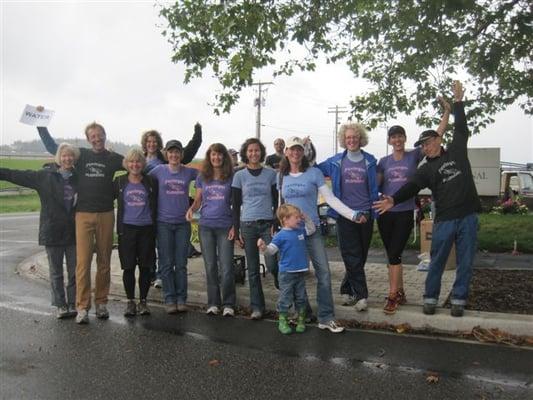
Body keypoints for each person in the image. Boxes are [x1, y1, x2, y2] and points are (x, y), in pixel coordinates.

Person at [373, 81, 480, 317]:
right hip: (444, 220)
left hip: (468, 217)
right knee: (436, 261)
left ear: (438, 140)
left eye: (430, 142)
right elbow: (411, 187)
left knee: (465, 262)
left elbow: (461, 129)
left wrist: (458, 104)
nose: (427, 146)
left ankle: (459, 300)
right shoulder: (425, 170)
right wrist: (392, 199)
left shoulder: (457, 150)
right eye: (423, 144)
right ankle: (430, 298)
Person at [37, 116, 124, 324]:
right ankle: (82, 306)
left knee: (104, 261)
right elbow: (55, 148)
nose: (97, 139)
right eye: (93, 136)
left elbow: (134, 163)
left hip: (105, 214)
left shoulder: (112, 157)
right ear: (87, 139)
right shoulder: (81, 155)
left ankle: (101, 303)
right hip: (83, 215)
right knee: (82, 263)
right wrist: (41, 125)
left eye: (100, 135)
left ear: (105, 135)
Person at [279, 136, 361, 333]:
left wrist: (352, 214)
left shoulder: (314, 173)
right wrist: (279, 226)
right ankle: (303, 312)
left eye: (299, 149)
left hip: (312, 230)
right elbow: (280, 205)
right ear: (286, 152)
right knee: (295, 275)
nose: (296, 153)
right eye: (292, 149)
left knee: (323, 273)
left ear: (303, 152)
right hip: (291, 235)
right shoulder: (281, 176)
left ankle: (326, 317)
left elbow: (330, 199)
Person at [377, 99, 450, 314]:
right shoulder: (383, 161)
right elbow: (376, 185)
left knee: (395, 253)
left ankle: (393, 295)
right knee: (392, 254)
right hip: (384, 212)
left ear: (405, 138)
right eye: (394, 136)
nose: (397, 139)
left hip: (405, 211)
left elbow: (437, 135)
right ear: (389, 140)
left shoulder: (414, 155)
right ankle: (400, 292)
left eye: (400, 136)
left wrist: (446, 112)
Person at [0, 144, 79, 319]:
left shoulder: (78, 179)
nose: (67, 159)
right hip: (52, 231)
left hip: (74, 233)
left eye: (70, 156)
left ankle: (73, 303)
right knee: (56, 272)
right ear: (59, 158)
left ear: (75, 158)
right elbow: (16, 175)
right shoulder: (44, 176)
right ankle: (60, 305)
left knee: (75, 272)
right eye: (64, 156)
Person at [318, 123, 379, 312]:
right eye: (348, 138)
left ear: (360, 139)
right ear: (344, 140)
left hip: (365, 214)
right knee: (351, 255)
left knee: (360, 256)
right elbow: (314, 169)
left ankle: (346, 288)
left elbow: (375, 185)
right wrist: (306, 149)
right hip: (345, 214)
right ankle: (361, 295)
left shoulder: (370, 161)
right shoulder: (335, 161)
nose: (351, 140)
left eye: (355, 137)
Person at [140, 126, 203, 286]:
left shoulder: (172, 165)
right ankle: (158, 275)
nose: (151, 144)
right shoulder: (148, 164)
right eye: (149, 141)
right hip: (154, 210)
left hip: (179, 217)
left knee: (178, 257)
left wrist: (197, 200)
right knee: (157, 247)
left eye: (155, 141)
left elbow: (203, 175)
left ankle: (168, 281)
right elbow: (139, 178)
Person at [148, 140, 198, 314]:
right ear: (166, 154)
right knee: (166, 263)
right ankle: (169, 298)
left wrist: (195, 206)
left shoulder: (188, 172)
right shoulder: (159, 171)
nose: (174, 155)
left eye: (177, 152)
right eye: (170, 152)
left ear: (181, 155)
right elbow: (142, 178)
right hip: (163, 223)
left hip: (183, 224)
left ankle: (181, 298)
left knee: (181, 263)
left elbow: (206, 177)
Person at [187, 143, 236, 317]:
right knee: (210, 266)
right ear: (209, 157)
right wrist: (192, 209)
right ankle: (213, 303)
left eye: (219, 154)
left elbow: (237, 204)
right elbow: (198, 200)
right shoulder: (203, 176)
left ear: (224, 157)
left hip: (225, 226)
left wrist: (234, 226)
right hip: (206, 226)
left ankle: (229, 303)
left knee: (227, 266)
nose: (216, 157)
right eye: (213, 154)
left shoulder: (231, 176)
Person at [231, 138, 278, 320]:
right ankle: (257, 307)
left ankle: (279, 281)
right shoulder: (239, 176)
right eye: (250, 151)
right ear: (245, 153)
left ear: (261, 152)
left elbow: (276, 201)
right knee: (252, 269)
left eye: (256, 150)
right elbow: (235, 205)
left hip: (267, 224)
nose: (253, 154)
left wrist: (275, 221)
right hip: (248, 225)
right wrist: (236, 230)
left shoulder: (271, 174)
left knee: (272, 263)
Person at [258, 204, 314, 335]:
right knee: (285, 298)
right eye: (296, 217)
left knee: (301, 297)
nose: (299, 219)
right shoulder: (280, 235)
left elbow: (311, 230)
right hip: (286, 273)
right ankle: (282, 320)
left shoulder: (300, 230)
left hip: (300, 272)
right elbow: (271, 251)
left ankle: (301, 320)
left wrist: (307, 219)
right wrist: (264, 248)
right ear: (285, 219)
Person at [114, 148, 157, 317]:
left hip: (146, 229)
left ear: (143, 164)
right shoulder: (119, 182)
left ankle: (143, 302)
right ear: (126, 164)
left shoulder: (151, 182)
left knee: (145, 267)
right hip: (127, 230)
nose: (135, 164)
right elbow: (103, 198)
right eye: (131, 161)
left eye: (138, 161)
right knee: (129, 267)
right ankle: (130, 301)